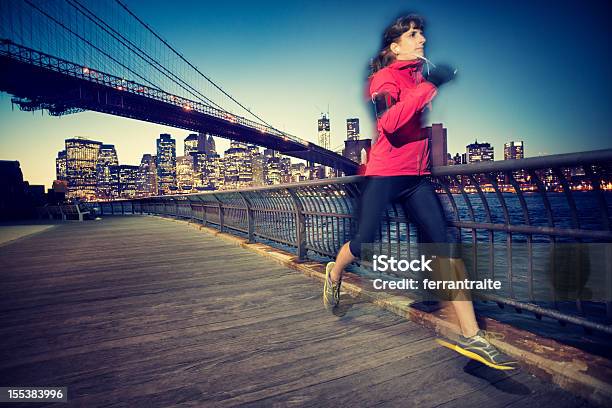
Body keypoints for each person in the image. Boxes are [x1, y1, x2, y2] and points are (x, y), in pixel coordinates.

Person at [322, 14, 518, 370]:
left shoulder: (415, 78)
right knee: (363, 242)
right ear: (395, 47)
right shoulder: (383, 79)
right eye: (413, 35)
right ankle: (335, 272)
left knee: (445, 247)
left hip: (416, 178)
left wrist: (425, 84)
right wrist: (429, 85)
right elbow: (390, 124)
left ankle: (472, 337)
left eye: (422, 34)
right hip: (384, 176)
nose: (423, 39)